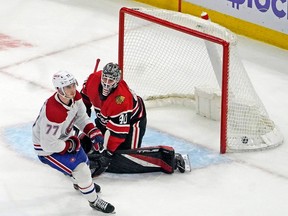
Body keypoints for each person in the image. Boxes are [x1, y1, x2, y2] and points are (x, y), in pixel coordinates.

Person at [79, 61, 187, 177]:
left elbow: (118, 134)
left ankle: (167, 159)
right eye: (104, 79)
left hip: (133, 120)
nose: (106, 84)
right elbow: (83, 96)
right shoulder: (93, 79)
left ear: (117, 81)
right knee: (92, 141)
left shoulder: (121, 99)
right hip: (105, 116)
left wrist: (108, 154)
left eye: (110, 81)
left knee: (122, 156)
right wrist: (83, 113)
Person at [32, 70, 115, 214]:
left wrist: (93, 133)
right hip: (47, 149)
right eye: (67, 87)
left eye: (72, 85)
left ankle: (81, 185)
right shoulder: (54, 111)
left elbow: (81, 117)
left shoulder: (75, 96)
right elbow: (48, 144)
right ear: (59, 89)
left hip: (62, 139)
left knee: (84, 160)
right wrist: (69, 145)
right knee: (82, 170)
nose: (72, 90)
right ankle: (94, 201)